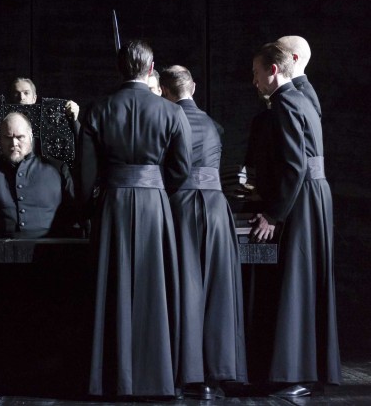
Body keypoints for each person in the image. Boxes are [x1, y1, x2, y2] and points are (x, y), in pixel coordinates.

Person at [78, 40, 192, 399]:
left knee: (112, 286)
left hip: (112, 205)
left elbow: (85, 175)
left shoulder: (98, 110)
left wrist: (87, 209)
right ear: (151, 67)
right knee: (155, 287)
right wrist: (155, 187)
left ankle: (111, 379)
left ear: (119, 68)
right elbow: (181, 170)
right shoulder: (172, 112)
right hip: (154, 205)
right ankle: (156, 377)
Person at [247, 42, 340, 397]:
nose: (254, 81)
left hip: (301, 198)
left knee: (296, 283)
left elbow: (293, 166)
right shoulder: (303, 98)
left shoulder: (285, 104)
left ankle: (294, 376)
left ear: (273, 70)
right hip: (315, 195)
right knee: (307, 281)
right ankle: (304, 373)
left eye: (257, 73)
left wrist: (273, 214)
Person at [160, 65, 247, 399]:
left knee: (186, 287)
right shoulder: (213, 124)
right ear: (193, 87)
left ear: (164, 92)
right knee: (217, 289)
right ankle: (216, 374)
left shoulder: (167, 120)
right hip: (216, 208)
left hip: (182, 207)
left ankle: (187, 374)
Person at [0, 112, 77, 239]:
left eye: (20, 137)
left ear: (31, 136)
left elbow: (74, 213)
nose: (14, 143)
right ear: (0, 139)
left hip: (51, 247)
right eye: (8, 137)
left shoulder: (58, 169)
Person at [0, 77, 80, 122]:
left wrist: (73, 120)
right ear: (11, 97)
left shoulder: (50, 119)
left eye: (26, 93)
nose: (21, 97)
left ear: (34, 98)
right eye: (17, 93)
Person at [276, 35, 321, 118]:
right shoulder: (299, 91)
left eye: (278, 54)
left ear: (294, 58)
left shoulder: (300, 94)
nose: (273, 58)